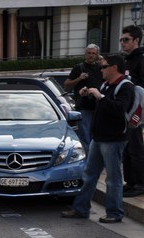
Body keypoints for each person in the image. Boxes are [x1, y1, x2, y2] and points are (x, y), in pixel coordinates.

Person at [62, 55, 134, 224]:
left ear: (114, 68)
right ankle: (81, 209)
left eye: (104, 67)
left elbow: (119, 109)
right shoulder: (106, 85)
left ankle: (114, 213)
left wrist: (100, 97)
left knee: (113, 178)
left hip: (114, 139)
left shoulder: (125, 87)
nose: (100, 69)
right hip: (99, 137)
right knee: (89, 174)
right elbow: (97, 107)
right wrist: (87, 96)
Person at [64, 44, 102, 154]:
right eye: (89, 53)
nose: (91, 55)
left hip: (99, 106)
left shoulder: (101, 68)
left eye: (93, 53)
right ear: (85, 54)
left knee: (97, 135)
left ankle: (94, 159)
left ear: (97, 55)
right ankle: (89, 161)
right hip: (84, 107)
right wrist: (79, 78)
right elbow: (66, 85)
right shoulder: (79, 68)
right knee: (85, 136)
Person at [120, 25, 144, 197]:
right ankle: (130, 182)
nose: (123, 43)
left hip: (137, 110)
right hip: (126, 110)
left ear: (136, 40)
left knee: (136, 148)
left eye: (126, 40)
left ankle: (140, 184)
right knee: (127, 149)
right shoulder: (127, 60)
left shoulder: (141, 59)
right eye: (121, 40)